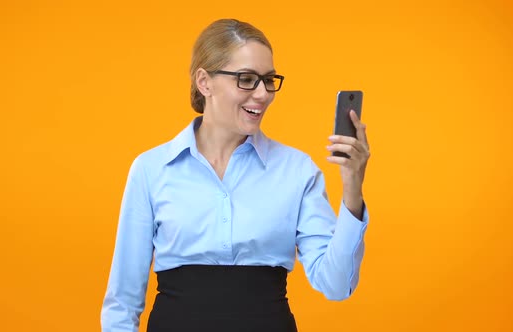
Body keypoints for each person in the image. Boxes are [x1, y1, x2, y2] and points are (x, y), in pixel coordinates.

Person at [101, 18, 370, 332]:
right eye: (246, 79)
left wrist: (353, 187)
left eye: (269, 80)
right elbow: (122, 303)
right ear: (205, 82)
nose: (262, 94)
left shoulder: (297, 171)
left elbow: (336, 285)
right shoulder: (151, 169)